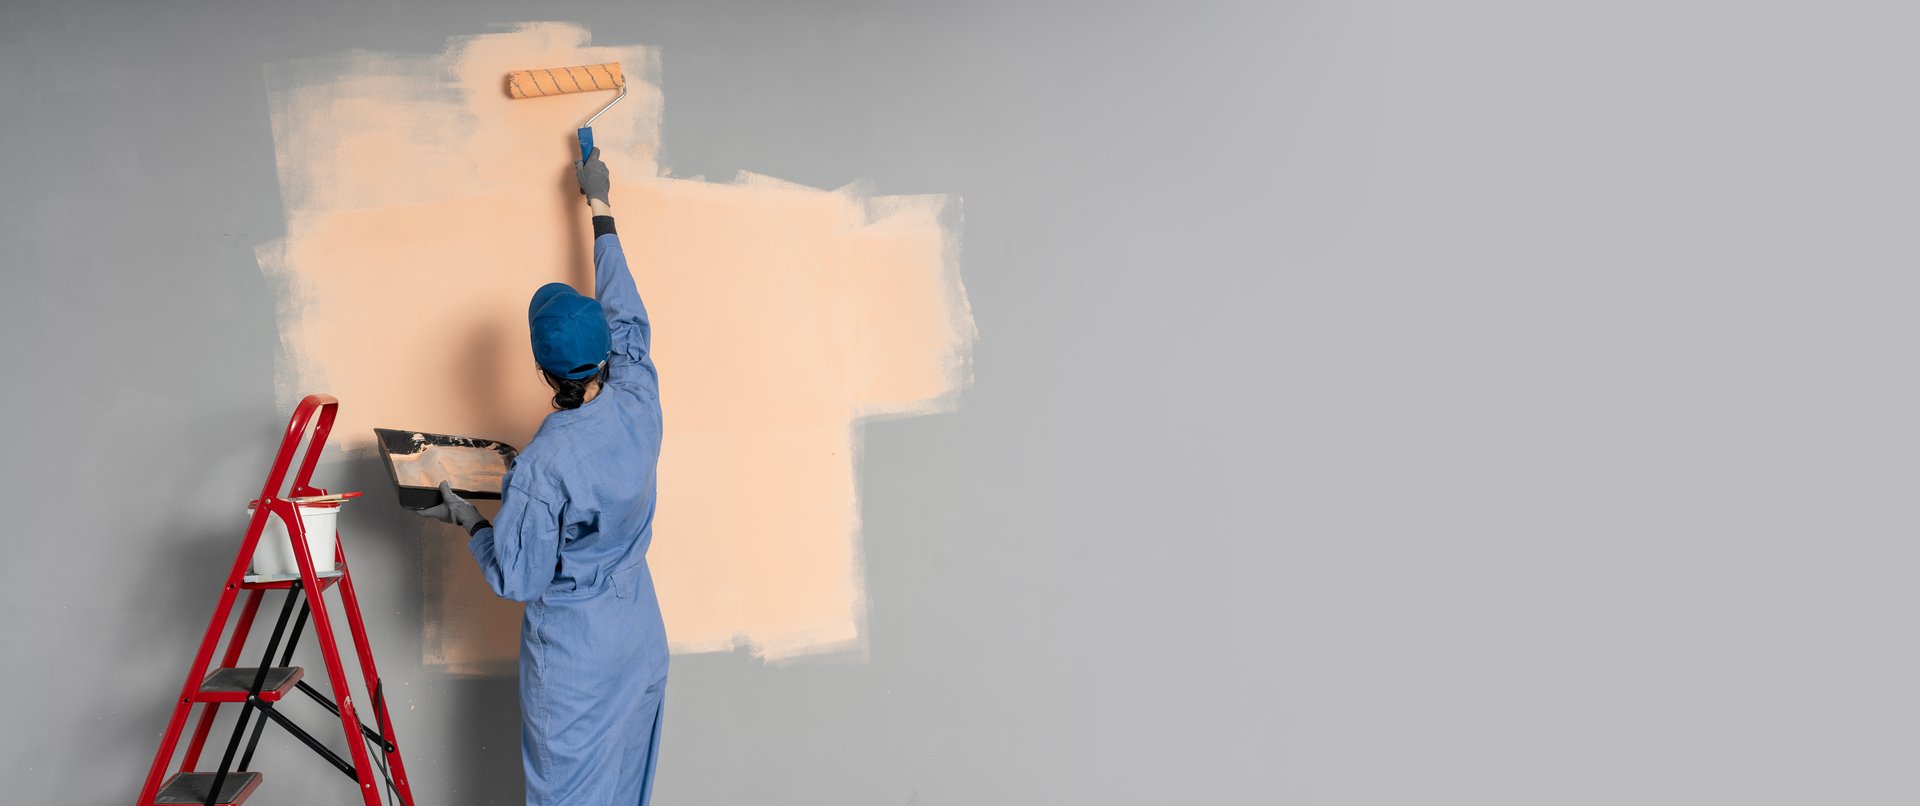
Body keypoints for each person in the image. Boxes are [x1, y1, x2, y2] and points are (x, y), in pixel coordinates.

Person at [418, 147, 668, 805]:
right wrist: (601, 206)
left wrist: (469, 520)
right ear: (605, 350)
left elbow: (518, 577)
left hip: (578, 654)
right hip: (638, 629)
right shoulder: (639, 391)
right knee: (624, 792)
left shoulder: (542, 466)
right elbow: (627, 309)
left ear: (543, 373)